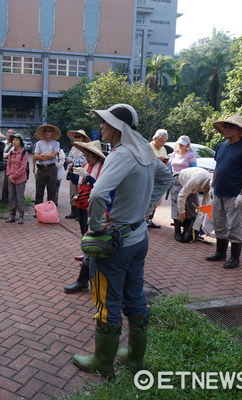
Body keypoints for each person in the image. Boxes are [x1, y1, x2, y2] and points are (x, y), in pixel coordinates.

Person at [72, 104, 172, 378]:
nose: (101, 127)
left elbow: (97, 195)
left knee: (107, 301)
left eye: (105, 123)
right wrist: (145, 207)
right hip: (138, 237)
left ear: (118, 127)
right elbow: (166, 177)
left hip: (114, 242)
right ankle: (135, 358)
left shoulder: (121, 154)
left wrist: (93, 228)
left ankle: (103, 361)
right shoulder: (145, 152)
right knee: (135, 297)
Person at [206, 115, 242, 269]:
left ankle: (235, 258)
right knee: (219, 223)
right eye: (225, 127)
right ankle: (220, 253)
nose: (226, 129)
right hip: (219, 191)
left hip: (234, 193)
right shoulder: (221, 146)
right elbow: (217, 168)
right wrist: (212, 185)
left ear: (240, 131)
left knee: (234, 226)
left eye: (231, 127)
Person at [63, 140, 105, 294]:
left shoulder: (103, 168)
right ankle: (86, 254)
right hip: (81, 201)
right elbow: (77, 181)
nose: (86, 158)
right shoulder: (87, 165)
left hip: (94, 204)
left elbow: (100, 186)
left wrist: (88, 177)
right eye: (86, 155)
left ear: (96, 156)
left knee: (92, 235)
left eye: (89, 155)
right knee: (83, 230)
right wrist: (71, 171)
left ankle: (85, 274)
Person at [171, 166, 212, 241]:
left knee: (195, 209)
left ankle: (191, 230)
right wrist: (182, 212)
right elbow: (181, 195)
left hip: (193, 185)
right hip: (180, 180)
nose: (206, 192)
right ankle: (177, 232)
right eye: (207, 190)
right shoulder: (196, 181)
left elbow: (205, 205)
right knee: (177, 205)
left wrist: (202, 217)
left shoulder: (211, 185)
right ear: (207, 185)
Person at [33, 124, 61, 211]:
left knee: (52, 190)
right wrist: (47, 155)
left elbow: (53, 156)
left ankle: (50, 210)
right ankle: (38, 210)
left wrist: (42, 155)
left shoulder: (56, 143)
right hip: (41, 168)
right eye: (46, 131)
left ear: (52, 133)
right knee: (39, 190)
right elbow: (35, 156)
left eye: (49, 131)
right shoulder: (39, 143)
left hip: (51, 168)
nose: (47, 133)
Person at [64, 130, 90, 219]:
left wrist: (73, 161)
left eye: (79, 137)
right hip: (73, 170)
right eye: (76, 137)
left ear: (83, 138)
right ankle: (73, 211)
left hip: (82, 171)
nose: (77, 139)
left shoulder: (86, 148)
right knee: (72, 191)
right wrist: (71, 161)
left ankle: (80, 213)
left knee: (81, 191)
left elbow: (84, 160)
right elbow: (68, 157)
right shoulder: (73, 148)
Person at [146, 129, 169, 228]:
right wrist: (157, 160)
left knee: (158, 200)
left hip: (160, 179)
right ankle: (144, 218)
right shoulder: (147, 147)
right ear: (155, 138)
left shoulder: (163, 149)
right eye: (161, 141)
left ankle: (149, 219)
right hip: (149, 177)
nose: (162, 144)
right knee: (148, 198)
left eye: (164, 142)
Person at [5, 133, 28, 224]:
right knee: (11, 197)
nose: (14, 142)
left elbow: (23, 167)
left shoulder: (24, 152)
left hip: (20, 178)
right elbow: (8, 164)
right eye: (13, 140)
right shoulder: (11, 152)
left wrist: (14, 176)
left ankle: (21, 215)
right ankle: (12, 215)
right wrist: (9, 175)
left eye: (17, 140)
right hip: (11, 178)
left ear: (20, 142)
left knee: (19, 197)